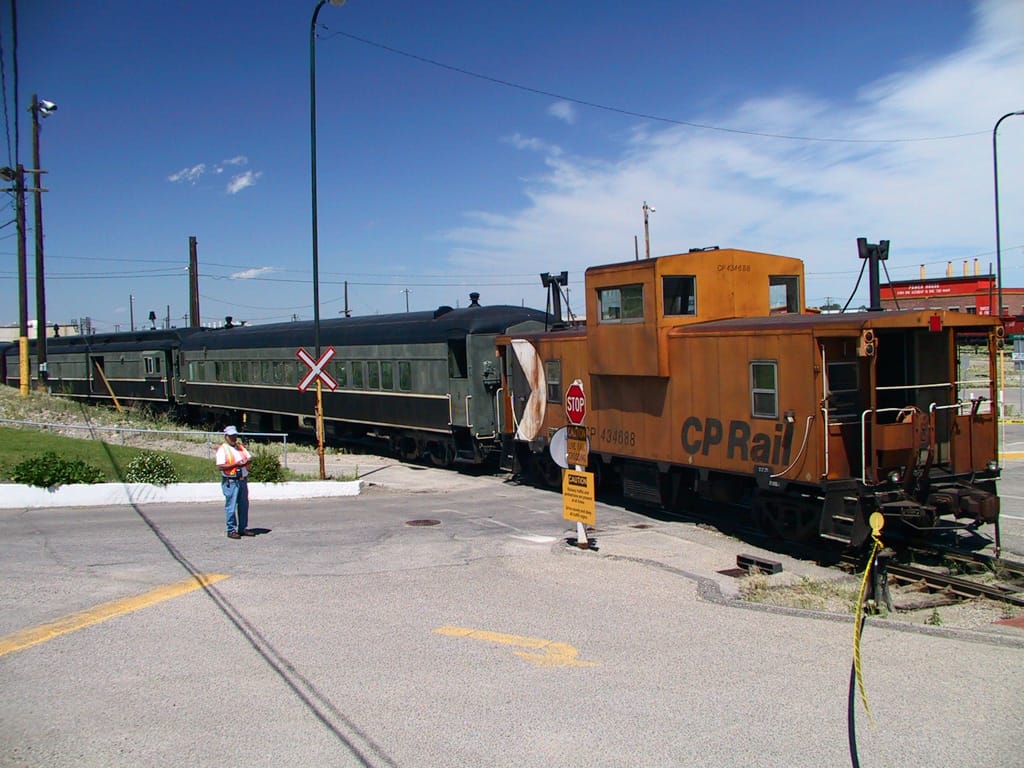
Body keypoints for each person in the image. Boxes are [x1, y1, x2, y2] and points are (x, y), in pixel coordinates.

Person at [215, 425, 254, 539]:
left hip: (242, 480)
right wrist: (236, 464)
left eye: (235, 435)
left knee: (243, 506)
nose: (233, 438)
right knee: (231, 507)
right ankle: (231, 530)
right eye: (231, 436)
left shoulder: (240, 447)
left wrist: (246, 461)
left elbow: (249, 457)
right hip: (231, 481)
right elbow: (220, 466)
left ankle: (243, 528)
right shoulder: (223, 449)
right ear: (226, 437)